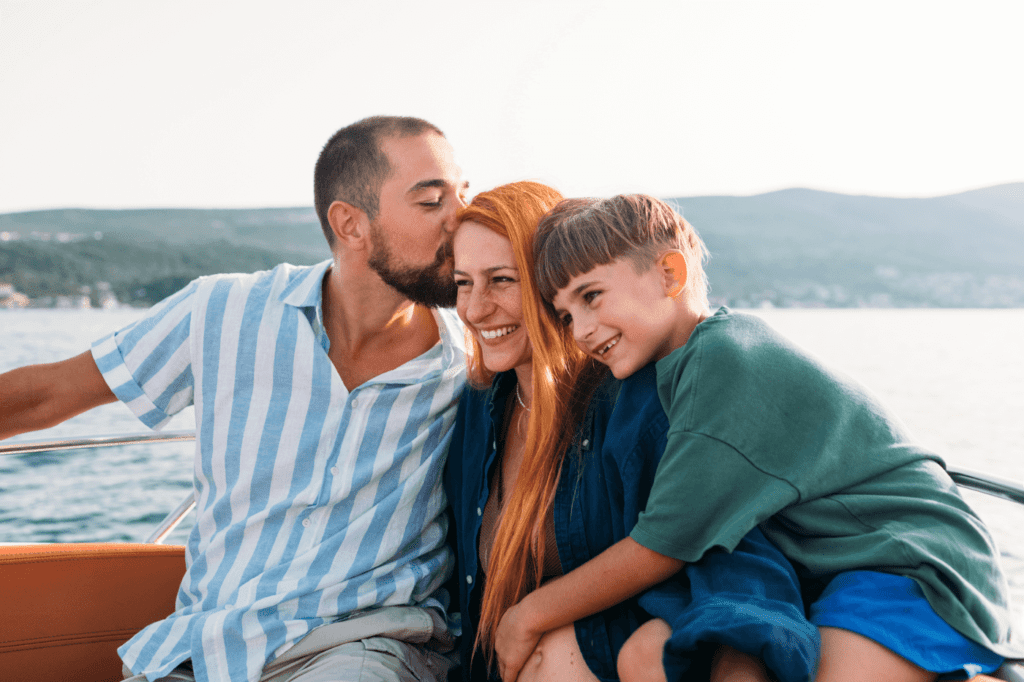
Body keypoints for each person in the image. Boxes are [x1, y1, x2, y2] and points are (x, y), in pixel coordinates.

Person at [0, 116, 470, 682]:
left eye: (464, 195)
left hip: (367, 645)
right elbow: (50, 393)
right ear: (350, 224)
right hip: (206, 647)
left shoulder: (473, 356)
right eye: (432, 201)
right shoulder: (222, 311)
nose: (461, 219)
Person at [526, 193, 1023, 681]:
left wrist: (528, 615)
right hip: (837, 567)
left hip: (911, 562)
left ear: (669, 274)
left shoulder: (722, 361)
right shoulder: (683, 365)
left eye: (591, 296)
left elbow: (661, 546)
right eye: (566, 315)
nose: (581, 332)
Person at [444, 182, 819, 682]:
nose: (473, 309)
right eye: (463, 283)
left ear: (550, 285)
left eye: (501, 280)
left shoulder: (637, 399)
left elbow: (731, 556)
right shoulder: (476, 405)